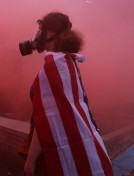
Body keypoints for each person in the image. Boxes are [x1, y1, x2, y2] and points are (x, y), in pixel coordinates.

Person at [21, 12, 114, 176]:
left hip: (54, 152)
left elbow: (46, 119)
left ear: (50, 32)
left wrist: (31, 160)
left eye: (40, 29)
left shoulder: (53, 67)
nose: (37, 35)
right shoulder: (67, 61)